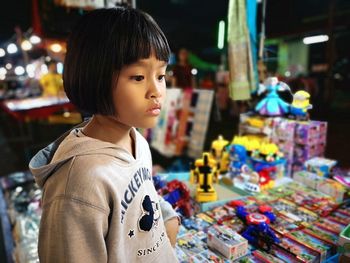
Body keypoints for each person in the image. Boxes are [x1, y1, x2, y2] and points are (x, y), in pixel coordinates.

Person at [29, 7, 180, 263]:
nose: (156, 91)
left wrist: (167, 218)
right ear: (96, 77)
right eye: (138, 77)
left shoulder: (137, 141)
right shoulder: (78, 184)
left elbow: (141, 200)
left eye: (161, 75)